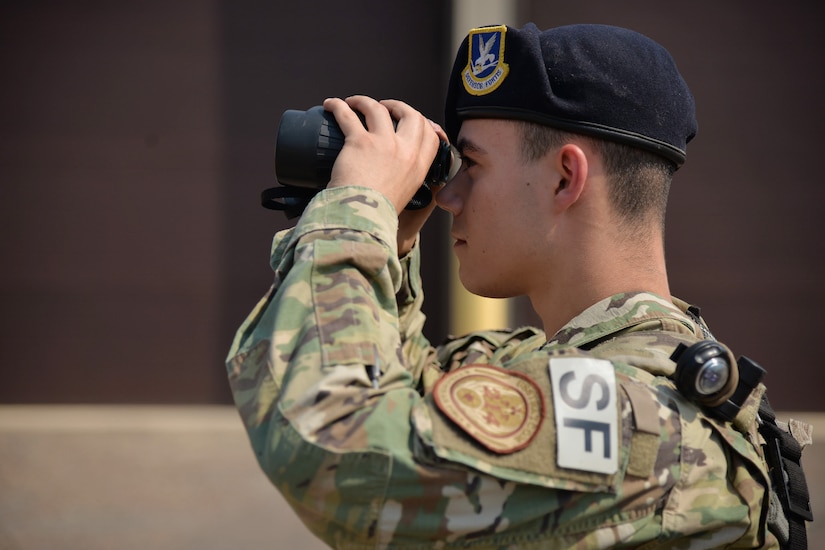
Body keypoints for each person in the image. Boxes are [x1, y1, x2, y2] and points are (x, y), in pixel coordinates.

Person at [227, 23, 812, 548]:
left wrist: (355, 210)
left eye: (472, 167)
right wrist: (390, 247)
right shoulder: (588, 367)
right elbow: (404, 398)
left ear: (565, 178)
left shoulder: (644, 417)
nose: (448, 197)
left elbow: (341, 453)